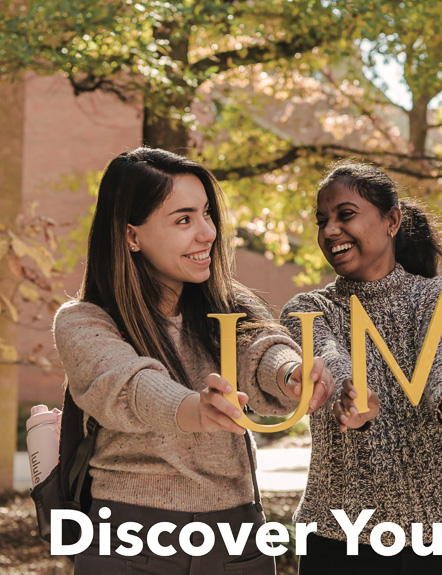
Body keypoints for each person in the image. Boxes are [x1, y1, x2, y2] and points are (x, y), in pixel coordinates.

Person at [52, 147, 335, 574]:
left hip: (236, 538)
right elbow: (129, 385)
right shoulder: (83, 322)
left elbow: (259, 351)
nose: (207, 233)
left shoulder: (228, 306)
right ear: (131, 235)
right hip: (130, 540)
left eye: (206, 214)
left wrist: (291, 374)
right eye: (183, 219)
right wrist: (194, 409)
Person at [280, 161, 442, 574]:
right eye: (322, 221)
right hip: (338, 536)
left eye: (346, 215)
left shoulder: (435, 294)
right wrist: (348, 393)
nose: (329, 231)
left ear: (392, 220)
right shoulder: (307, 309)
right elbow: (328, 356)